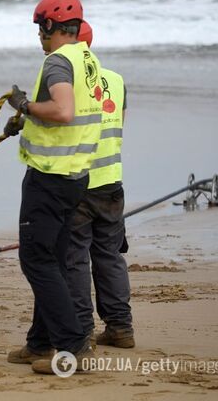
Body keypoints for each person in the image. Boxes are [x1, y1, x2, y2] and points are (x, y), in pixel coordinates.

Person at [4, 0, 103, 375]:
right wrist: (28, 118)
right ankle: (40, 344)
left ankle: (72, 346)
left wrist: (25, 107)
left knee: (37, 260)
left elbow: (63, 110)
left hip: (50, 177)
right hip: (76, 176)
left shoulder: (58, 62)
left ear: (49, 25)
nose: (38, 37)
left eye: (39, 28)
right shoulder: (87, 59)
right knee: (54, 260)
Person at [65, 21, 135, 348]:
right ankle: (120, 328)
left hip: (79, 183)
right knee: (109, 256)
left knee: (75, 259)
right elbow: (119, 123)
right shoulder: (117, 81)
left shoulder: (66, 83)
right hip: (112, 183)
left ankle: (81, 331)